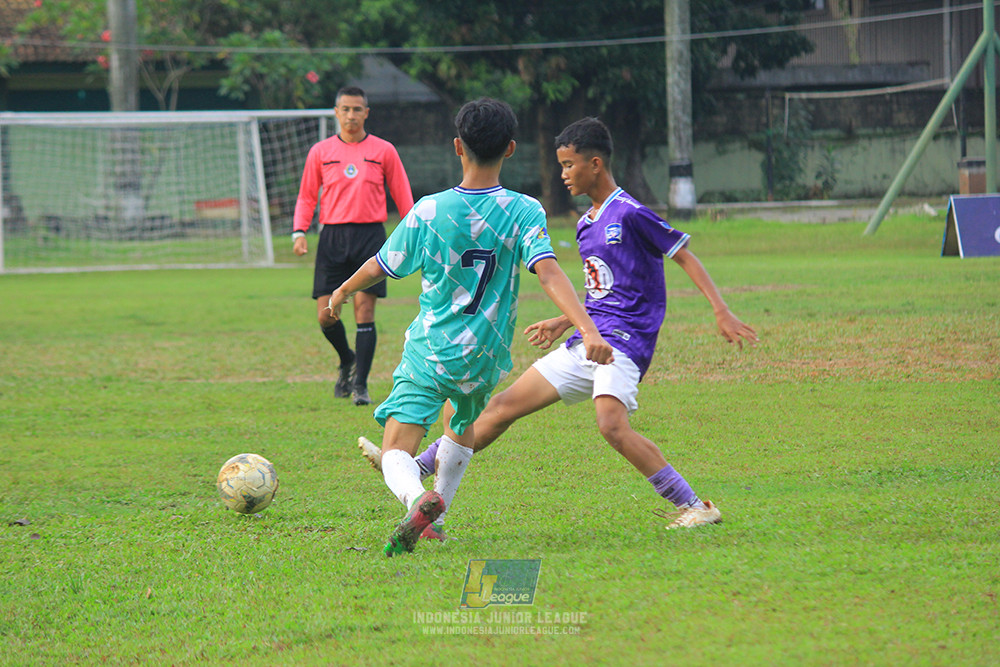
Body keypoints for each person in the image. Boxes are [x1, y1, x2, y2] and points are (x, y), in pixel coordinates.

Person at [359, 116, 758, 534]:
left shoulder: (631, 213)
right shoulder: (587, 224)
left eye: (569, 165)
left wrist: (720, 310)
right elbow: (604, 292)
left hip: (620, 342)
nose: (563, 174)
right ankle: (416, 471)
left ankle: (695, 505)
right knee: (500, 408)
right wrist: (563, 321)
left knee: (611, 425)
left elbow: (683, 254)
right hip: (588, 340)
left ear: (595, 164)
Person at [327, 100, 613, 557]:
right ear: (511, 149)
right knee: (461, 424)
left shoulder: (429, 210)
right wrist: (587, 328)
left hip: (433, 349)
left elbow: (383, 264)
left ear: (458, 146)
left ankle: (418, 500)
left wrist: (343, 290)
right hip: (485, 353)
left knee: (396, 447)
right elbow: (549, 272)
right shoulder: (524, 210)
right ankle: (436, 522)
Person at [292, 86, 414, 406]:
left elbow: (402, 194)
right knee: (326, 315)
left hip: (370, 237)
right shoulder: (320, 152)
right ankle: (347, 359)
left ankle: (360, 386)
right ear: (336, 112)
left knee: (364, 310)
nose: (351, 115)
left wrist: (414, 233)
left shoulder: (384, 150)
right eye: (345, 109)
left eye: (357, 109)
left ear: (366, 113)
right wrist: (299, 231)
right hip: (332, 238)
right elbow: (307, 196)